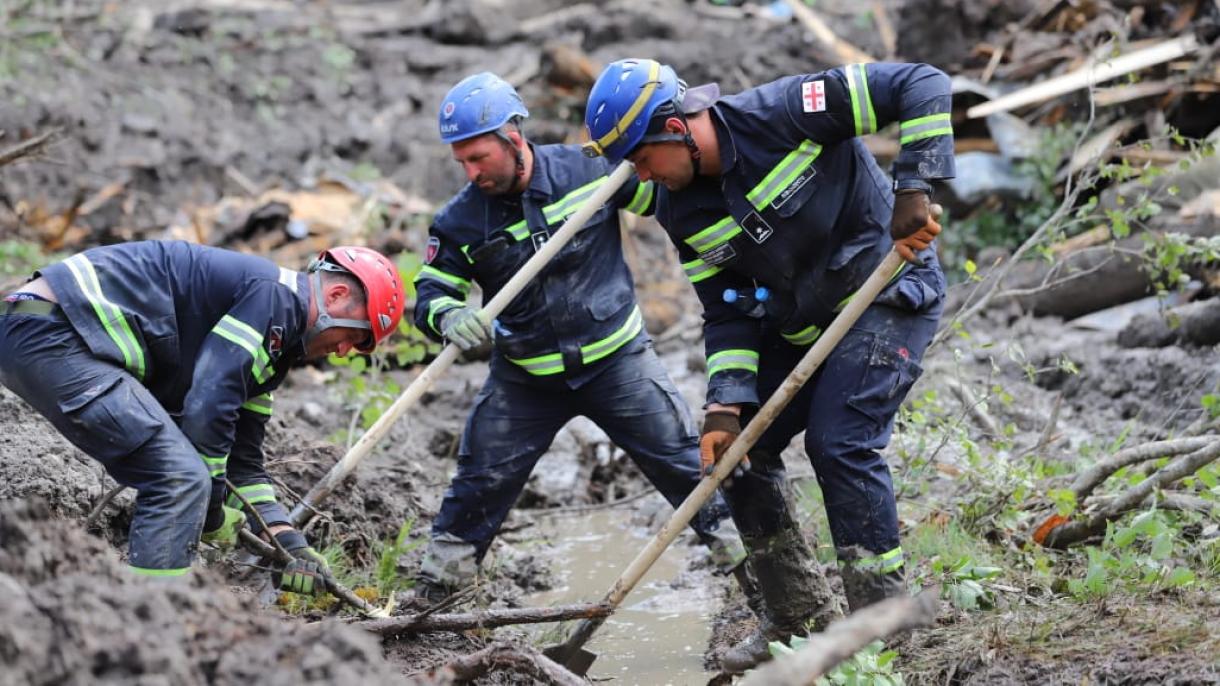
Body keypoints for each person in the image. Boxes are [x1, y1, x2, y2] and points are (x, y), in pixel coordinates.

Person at [583, 58, 952, 671]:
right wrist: (725, 406)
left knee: (841, 443)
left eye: (642, 159)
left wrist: (914, 187)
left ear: (675, 126)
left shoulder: (788, 111)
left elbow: (924, 82)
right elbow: (725, 313)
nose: (640, 178)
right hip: (801, 326)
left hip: (885, 296)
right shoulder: (680, 209)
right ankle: (796, 616)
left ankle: (885, 625)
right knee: (737, 458)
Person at [412, 72, 747, 601]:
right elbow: (431, 293)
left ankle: (755, 577)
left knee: (691, 469)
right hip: (526, 379)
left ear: (512, 137)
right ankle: (434, 598)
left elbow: (670, 194)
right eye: (463, 162)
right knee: (479, 484)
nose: (472, 172)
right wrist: (450, 316)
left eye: (480, 158)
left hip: (619, 363)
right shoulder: (459, 222)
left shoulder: (592, 172)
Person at [0, 241, 405, 592]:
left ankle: (148, 623)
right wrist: (211, 511)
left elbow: (244, 465)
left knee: (184, 474)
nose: (342, 351)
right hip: (54, 333)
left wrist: (287, 542)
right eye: (353, 335)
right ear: (334, 296)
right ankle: (152, 633)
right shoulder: (273, 298)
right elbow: (209, 401)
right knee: (180, 478)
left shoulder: (271, 350)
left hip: (49, 334)